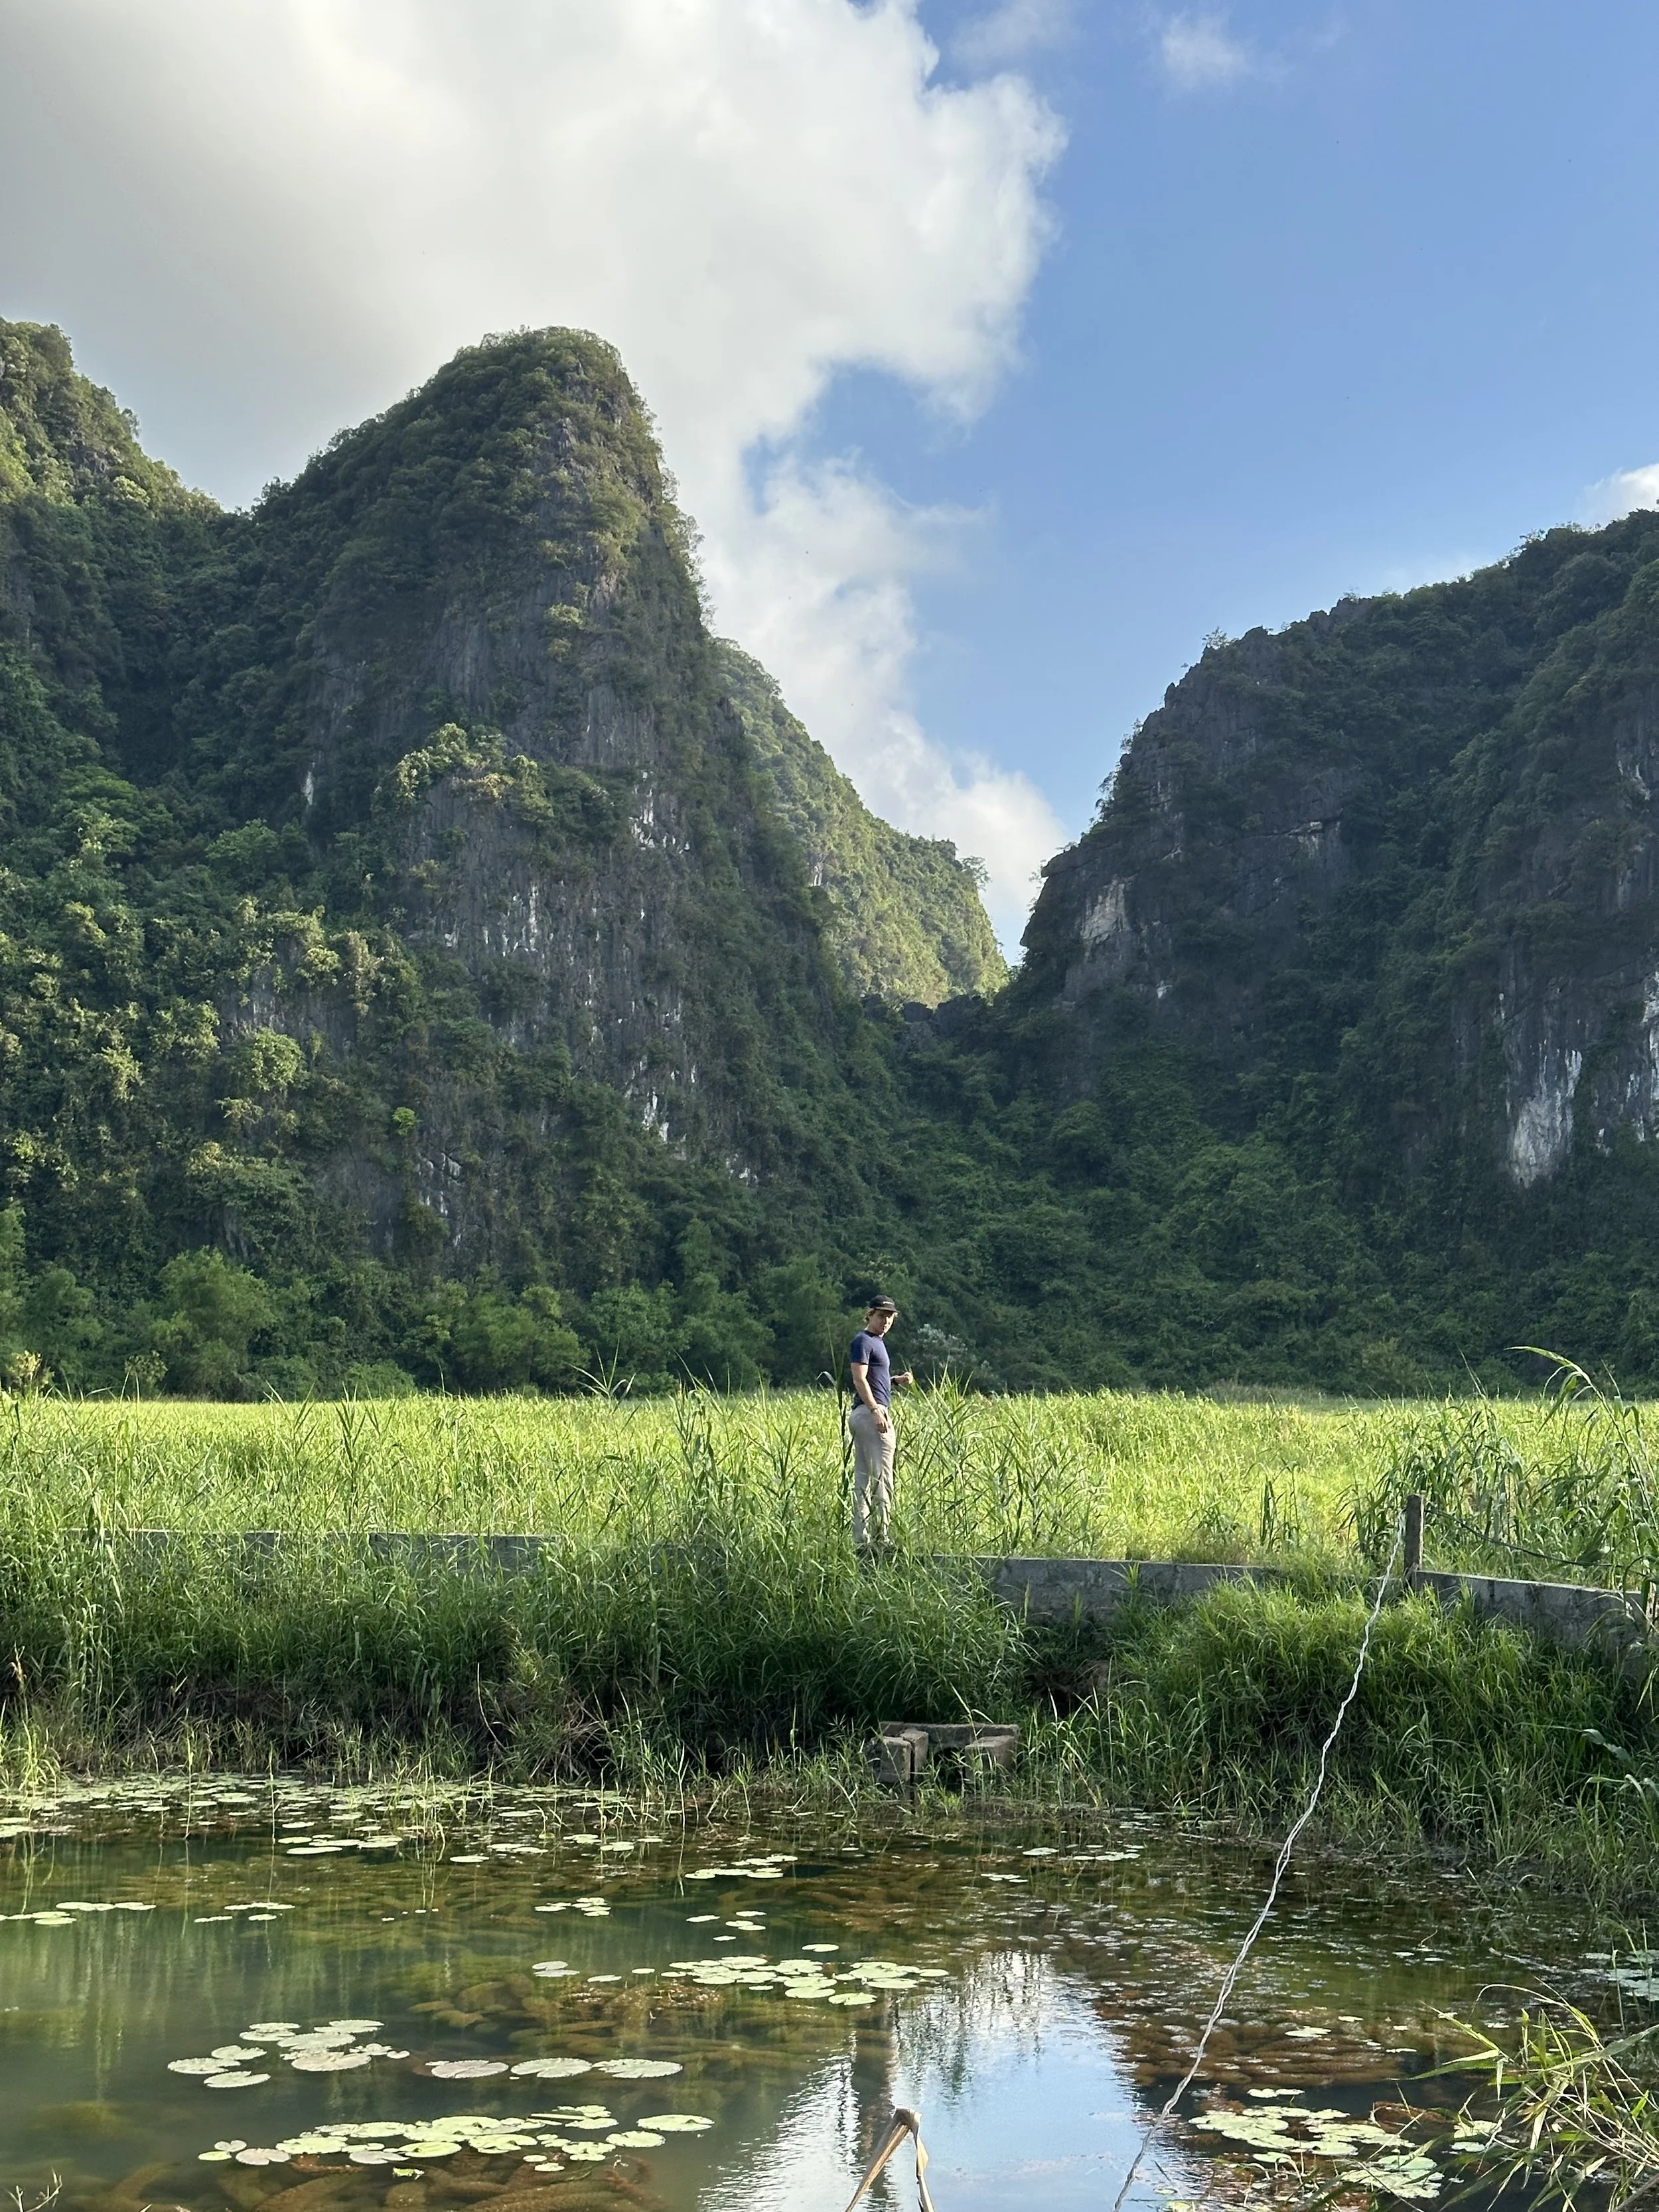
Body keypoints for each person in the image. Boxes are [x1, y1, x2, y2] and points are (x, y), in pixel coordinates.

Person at [847, 1297, 913, 1550]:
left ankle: (861, 1539)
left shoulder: (877, 1344)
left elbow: (876, 1380)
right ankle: (882, 1539)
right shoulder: (863, 1341)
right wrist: (876, 1411)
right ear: (870, 1315)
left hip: (866, 1413)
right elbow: (859, 1379)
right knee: (883, 1476)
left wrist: (896, 1380)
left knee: (864, 1478)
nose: (885, 1321)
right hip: (870, 1414)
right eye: (881, 1316)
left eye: (890, 1317)